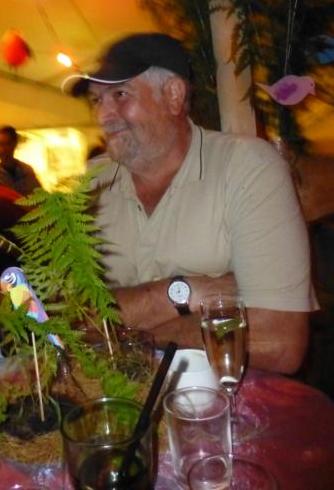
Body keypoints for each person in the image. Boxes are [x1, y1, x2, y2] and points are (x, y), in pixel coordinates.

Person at [67, 32, 317, 375]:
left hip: (226, 396)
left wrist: (129, 335)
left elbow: (279, 341)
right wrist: (185, 293)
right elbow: (69, 320)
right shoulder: (91, 183)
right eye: (97, 100)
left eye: (120, 95)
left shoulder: (247, 167)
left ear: (173, 95)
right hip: (117, 393)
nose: (102, 116)